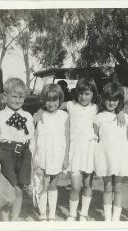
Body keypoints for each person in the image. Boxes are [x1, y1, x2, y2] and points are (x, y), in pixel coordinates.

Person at [34, 77, 100, 221]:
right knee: (75, 186)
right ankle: (72, 213)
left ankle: (83, 213)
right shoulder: (70, 105)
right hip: (75, 151)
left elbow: (112, 110)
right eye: (81, 93)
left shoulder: (96, 108)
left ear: (93, 94)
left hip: (89, 150)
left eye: (87, 94)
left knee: (88, 184)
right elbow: (51, 103)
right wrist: (40, 111)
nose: (83, 97)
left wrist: (120, 112)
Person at [0, 77, 35, 221]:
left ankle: (14, 221)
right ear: (5, 96)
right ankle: (4, 220)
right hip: (6, 155)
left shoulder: (27, 116)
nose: (17, 100)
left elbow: (32, 138)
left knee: (19, 191)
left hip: (24, 156)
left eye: (21, 97)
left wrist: (32, 158)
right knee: (7, 191)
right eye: (14, 96)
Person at [93, 82, 128, 221]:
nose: (111, 103)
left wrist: (122, 112)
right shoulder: (98, 117)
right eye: (108, 99)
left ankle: (115, 218)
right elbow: (95, 137)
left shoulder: (125, 117)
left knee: (118, 187)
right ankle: (107, 218)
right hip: (105, 155)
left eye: (115, 100)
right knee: (107, 186)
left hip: (120, 157)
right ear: (103, 99)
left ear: (119, 101)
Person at [33, 84, 70, 221]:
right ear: (44, 100)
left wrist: (66, 157)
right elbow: (35, 137)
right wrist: (33, 157)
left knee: (53, 185)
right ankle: (43, 214)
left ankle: (52, 215)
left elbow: (67, 137)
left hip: (56, 155)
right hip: (42, 154)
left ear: (60, 100)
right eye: (48, 100)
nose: (51, 103)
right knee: (42, 183)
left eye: (54, 100)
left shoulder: (64, 116)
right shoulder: (39, 116)